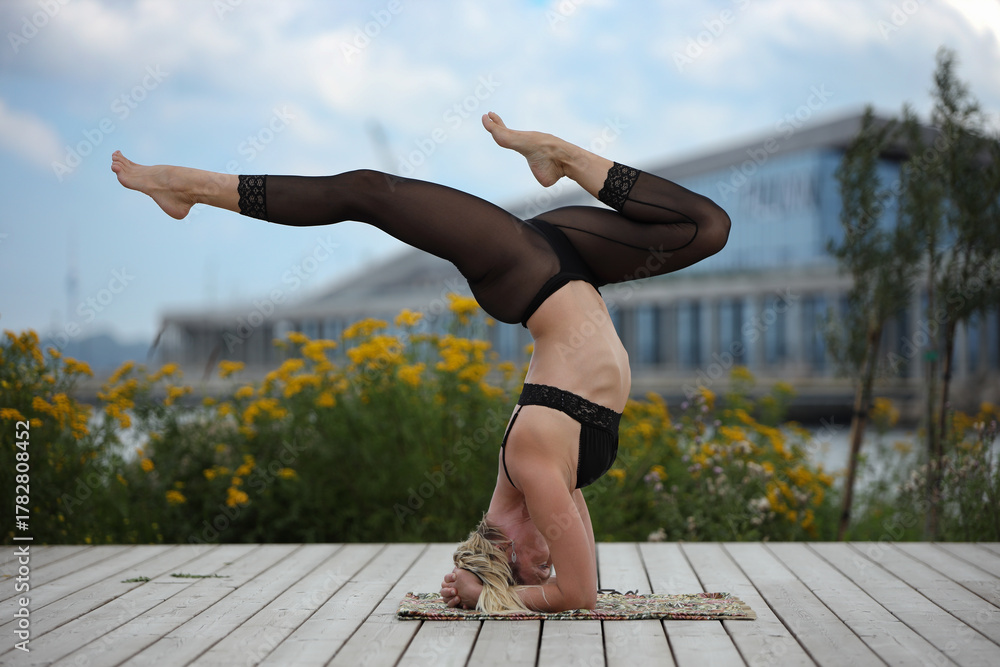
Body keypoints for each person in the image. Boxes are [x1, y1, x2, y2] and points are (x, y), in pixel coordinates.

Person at [111, 111, 730, 612]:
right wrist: (501, 588)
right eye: (547, 561)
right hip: (569, 270)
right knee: (706, 227)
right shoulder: (556, 481)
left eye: (535, 560)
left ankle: (189, 187)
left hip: (533, 274)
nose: (551, 554)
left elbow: (577, 595)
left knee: (368, 191)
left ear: (504, 547)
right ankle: (559, 157)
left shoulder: (537, 467)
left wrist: (490, 591)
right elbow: (581, 585)